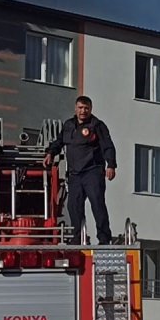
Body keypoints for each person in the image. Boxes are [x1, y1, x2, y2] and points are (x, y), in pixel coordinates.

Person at [45, 96, 117, 245]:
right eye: (80, 108)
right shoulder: (68, 125)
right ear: (75, 108)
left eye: (86, 108)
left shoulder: (97, 125)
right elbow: (59, 142)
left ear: (91, 109)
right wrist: (51, 153)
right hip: (75, 174)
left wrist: (111, 165)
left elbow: (108, 146)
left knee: (97, 204)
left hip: (93, 171)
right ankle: (77, 237)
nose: (83, 111)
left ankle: (104, 238)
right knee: (74, 206)